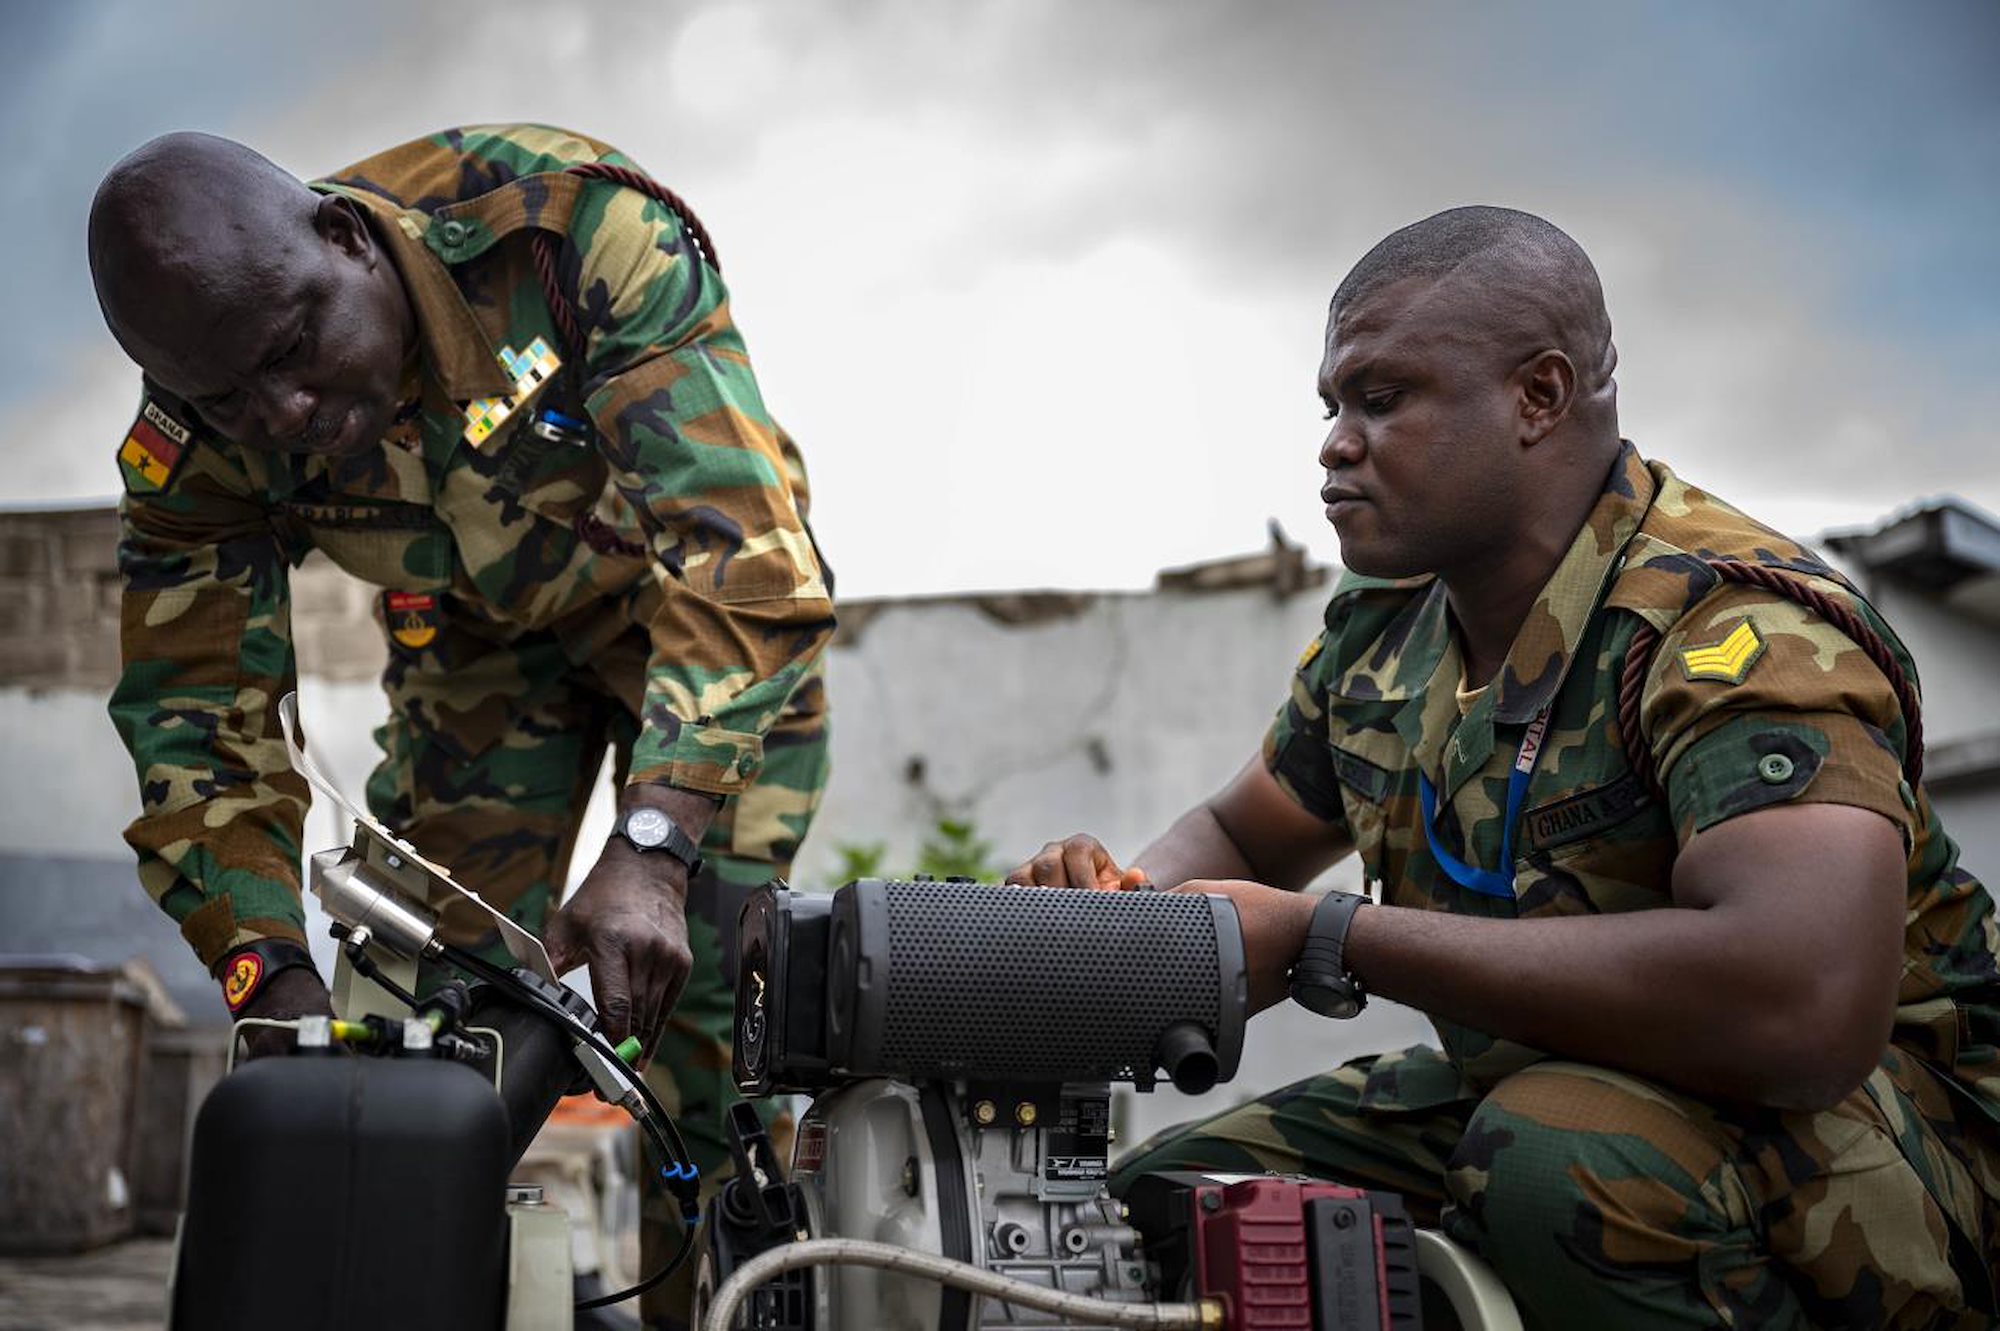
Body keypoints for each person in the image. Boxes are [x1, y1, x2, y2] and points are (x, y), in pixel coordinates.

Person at [1008, 207, 2000, 1329]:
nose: (1334, 442)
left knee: (1552, 1156)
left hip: (1889, 1140)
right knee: (1167, 1198)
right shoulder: (1387, 629)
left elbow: (1802, 1004)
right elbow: (1244, 837)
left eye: (1381, 400)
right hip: (1553, 1082)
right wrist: (1112, 921)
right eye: (1332, 406)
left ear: (1537, 396)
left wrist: (1327, 936)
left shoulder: (1735, 625)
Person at [90, 124, 832, 1323]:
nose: (279, 412)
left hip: (695, 632)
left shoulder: (568, 239)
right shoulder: (198, 430)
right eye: (225, 398)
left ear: (344, 239)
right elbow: (195, 714)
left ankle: (708, 1307)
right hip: (479, 654)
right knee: (429, 1014)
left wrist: (650, 843)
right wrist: (266, 971)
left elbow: (738, 557)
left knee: (709, 1026)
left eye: (292, 348)